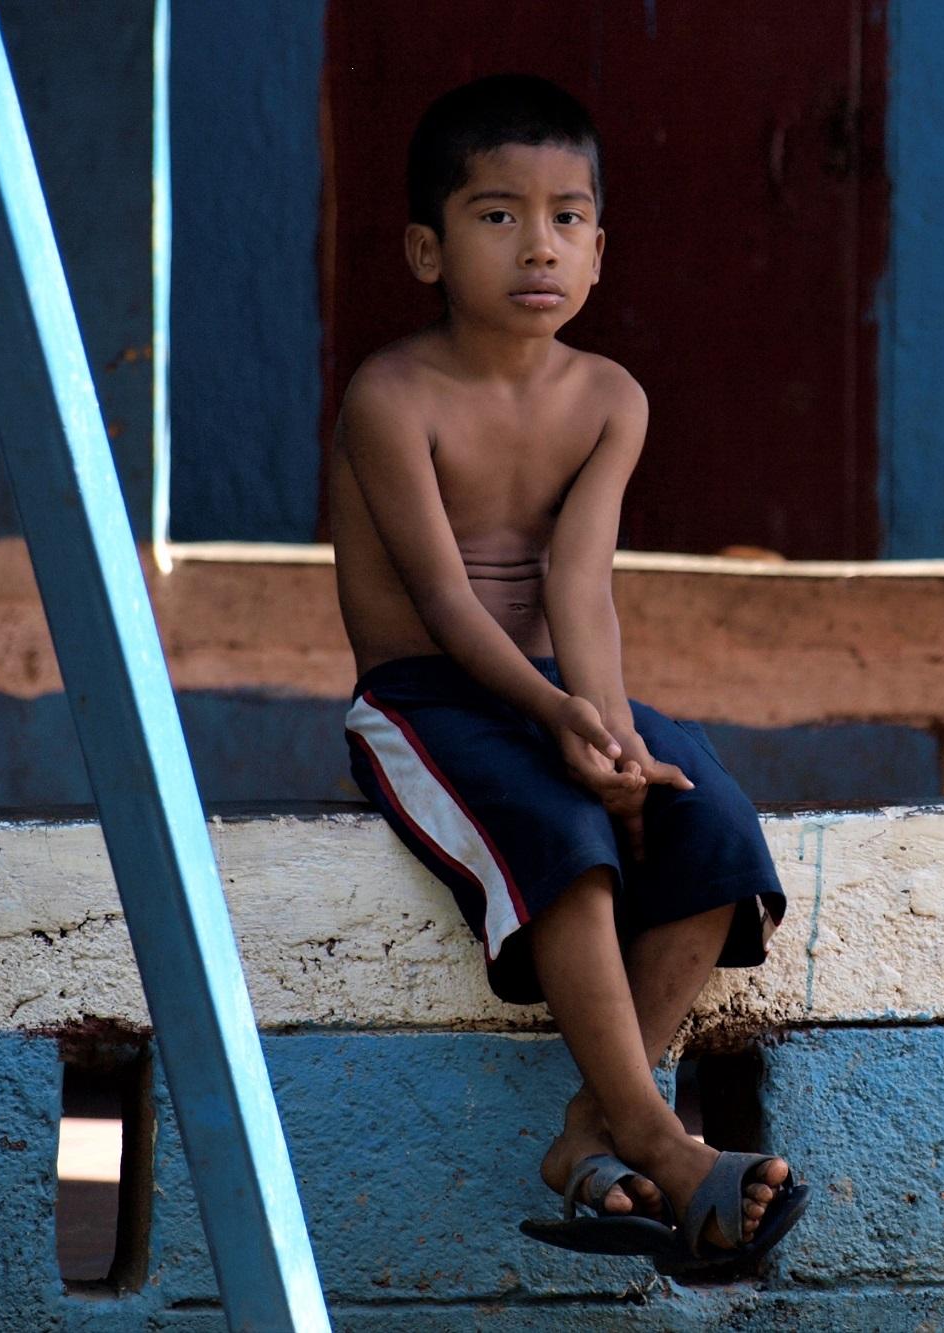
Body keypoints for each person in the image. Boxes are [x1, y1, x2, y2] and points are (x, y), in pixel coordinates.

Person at [328, 73, 806, 1276]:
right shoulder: (391, 395)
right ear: (425, 250)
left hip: (545, 688)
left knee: (706, 825)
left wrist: (609, 731)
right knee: (567, 839)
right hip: (423, 702)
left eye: (568, 216)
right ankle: (659, 1135)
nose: (538, 245)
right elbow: (443, 599)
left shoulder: (609, 398)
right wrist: (555, 722)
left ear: (599, 245)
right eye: (496, 215)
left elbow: (579, 585)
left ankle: (591, 1138)